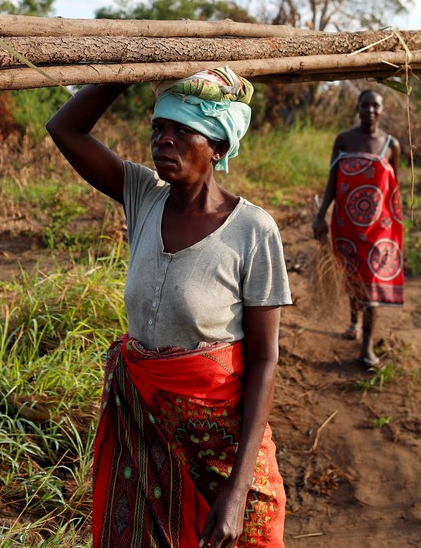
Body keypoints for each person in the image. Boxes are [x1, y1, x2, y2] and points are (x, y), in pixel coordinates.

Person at [46, 67, 291, 548]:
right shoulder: (143, 197)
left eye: (183, 131)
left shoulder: (253, 231)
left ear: (218, 148)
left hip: (219, 441)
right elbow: (65, 129)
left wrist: (237, 490)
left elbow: (265, 358)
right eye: (158, 128)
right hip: (144, 430)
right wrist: (126, 70)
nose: (164, 141)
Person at [311, 89, 403, 369]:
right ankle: (353, 322)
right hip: (345, 224)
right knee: (352, 277)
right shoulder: (344, 140)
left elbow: (393, 188)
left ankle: (367, 349)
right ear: (358, 108)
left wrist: (394, 225)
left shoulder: (391, 145)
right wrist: (321, 215)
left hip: (378, 229)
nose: (370, 111)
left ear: (383, 111)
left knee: (372, 284)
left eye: (376, 106)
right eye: (366, 106)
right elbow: (332, 181)